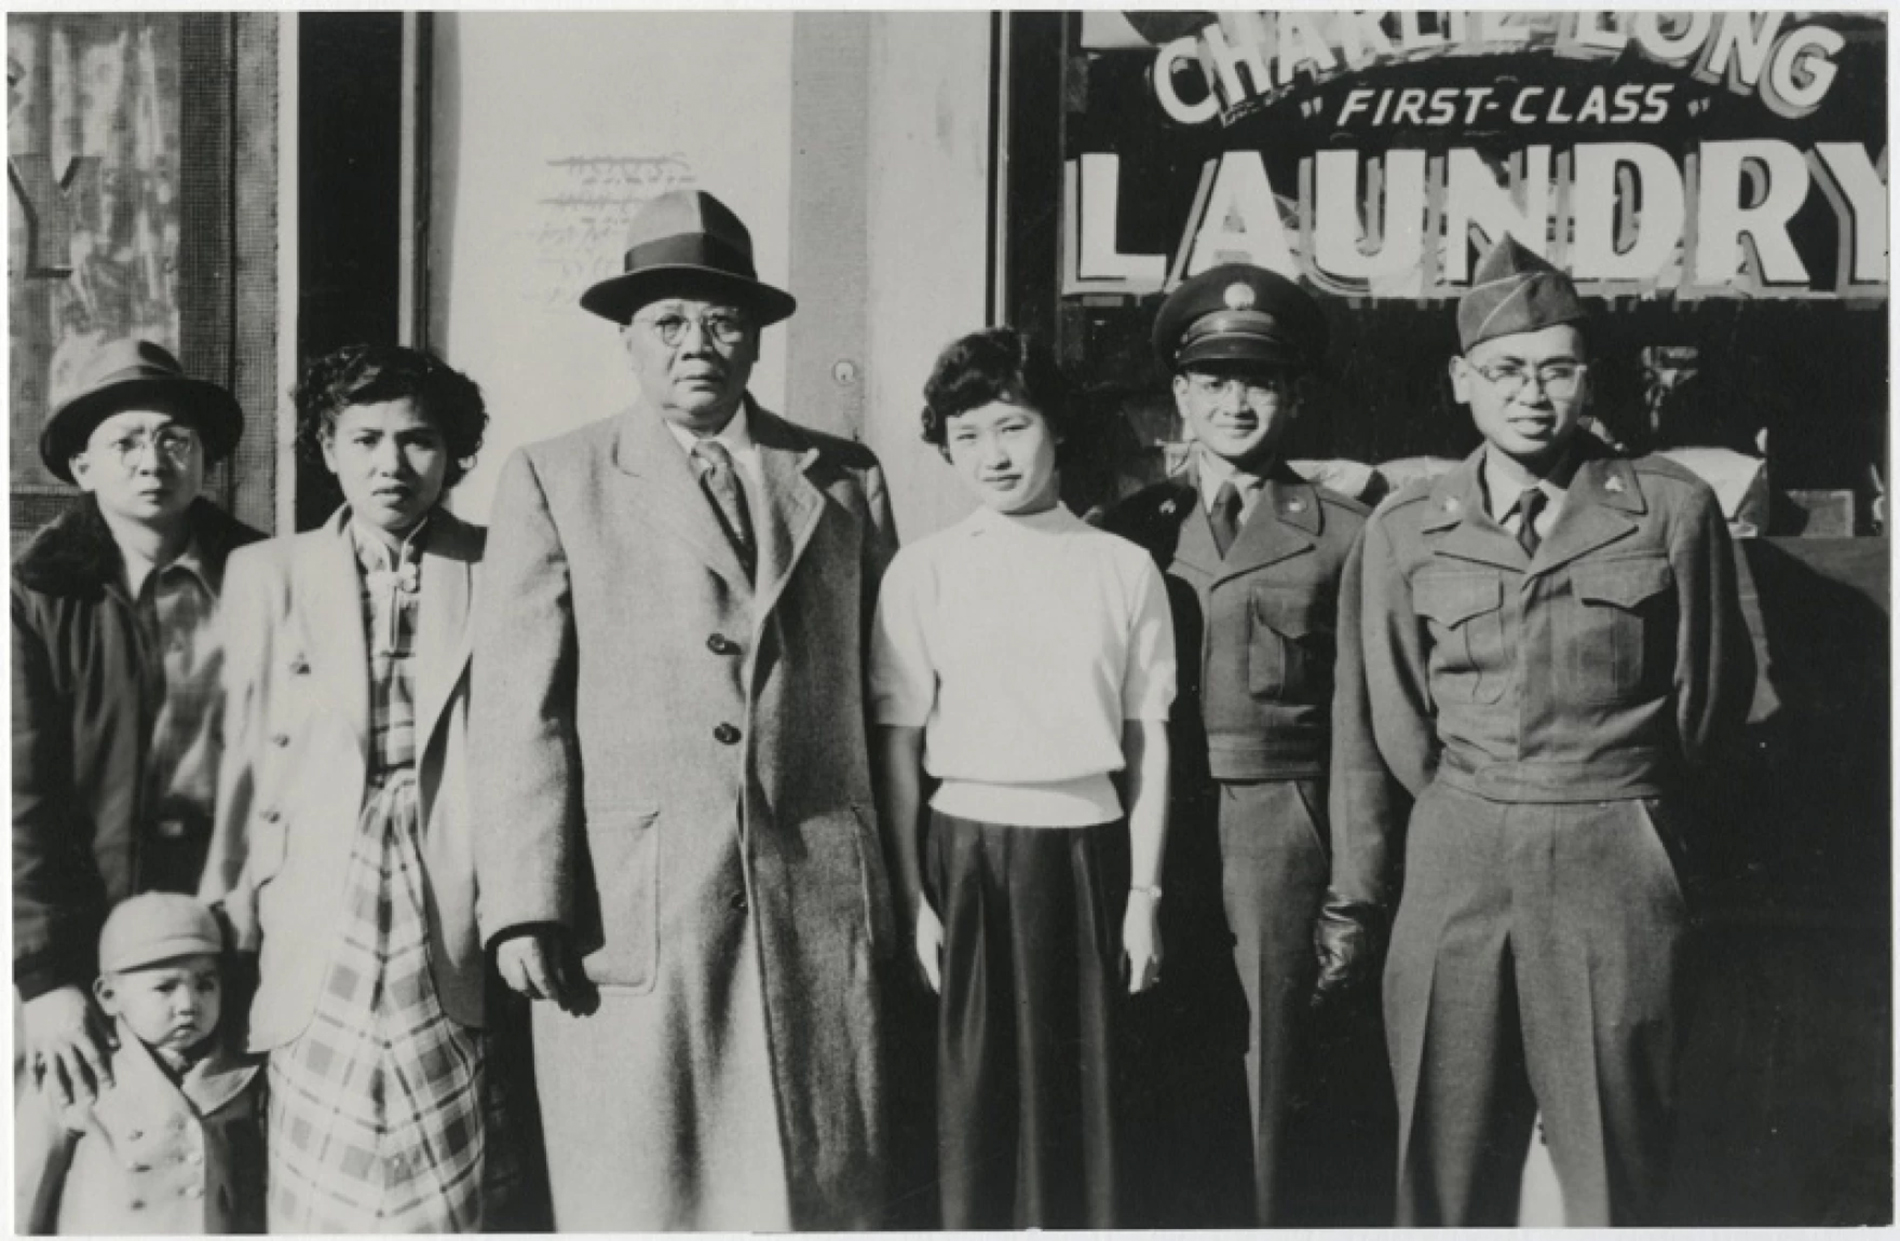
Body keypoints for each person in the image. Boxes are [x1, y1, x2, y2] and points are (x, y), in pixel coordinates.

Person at [472, 189, 901, 1230]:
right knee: (645, 1177)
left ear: (755, 338)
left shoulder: (842, 478)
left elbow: (889, 689)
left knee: (820, 1172)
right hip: (638, 892)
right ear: (627, 339)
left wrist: (898, 876)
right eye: (668, 321)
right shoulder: (555, 476)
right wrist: (527, 898)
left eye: (721, 321)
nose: (696, 344)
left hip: (813, 879)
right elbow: (517, 704)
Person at [1318, 234, 1755, 1226]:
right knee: (1446, 1150)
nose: (1530, 393)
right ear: (1460, 382)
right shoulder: (1406, 525)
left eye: (1555, 368)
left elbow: (1704, 701)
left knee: (1614, 1158)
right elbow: (1389, 717)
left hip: (1612, 847)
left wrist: (1622, 812)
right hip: (1459, 846)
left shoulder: (1669, 509)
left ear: (1586, 378)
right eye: (1504, 371)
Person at [1095, 265, 1383, 1226]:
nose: (1235, 404)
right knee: (1151, 1056)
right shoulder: (1131, 528)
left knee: (1271, 1064)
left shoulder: (1345, 535)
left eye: (1257, 382)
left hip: (1278, 831)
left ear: (1293, 394)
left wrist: (1353, 887)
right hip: (1153, 828)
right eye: (1213, 382)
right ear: (1180, 396)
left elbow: (1360, 733)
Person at [870, 328, 1175, 1228]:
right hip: (962, 861)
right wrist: (912, 895)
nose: (991, 456)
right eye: (966, 436)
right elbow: (898, 744)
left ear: (1058, 431)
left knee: (1082, 1116)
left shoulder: (1123, 568)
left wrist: (1144, 893)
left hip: (1085, 860)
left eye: (1012, 427)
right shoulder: (923, 570)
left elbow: (1147, 737)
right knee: (970, 1109)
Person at [200, 345, 493, 1231]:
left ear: (454, 455)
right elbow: (236, 749)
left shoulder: (498, 561)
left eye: (419, 441)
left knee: (441, 1127)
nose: (390, 465)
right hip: (318, 871)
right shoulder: (268, 573)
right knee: (319, 1129)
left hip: (449, 864)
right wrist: (233, 893)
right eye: (364, 439)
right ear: (326, 447)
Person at [13, 338, 261, 1115]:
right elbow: (18, 796)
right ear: (83, 468)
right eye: (123, 440)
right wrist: (45, 977)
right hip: (96, 924)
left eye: (172, 437)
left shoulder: (264, 574)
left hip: (240, 920)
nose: (151, 458)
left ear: (204, 458)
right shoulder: (40, 595)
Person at [14, 893, 266, 1234]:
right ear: (108, 996)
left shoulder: (241, 1077)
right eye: (165, 987)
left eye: (205, 984)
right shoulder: (78, 1075)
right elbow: (21, 1194)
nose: (188, 1004)